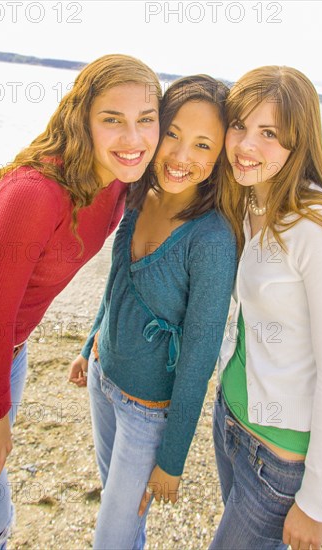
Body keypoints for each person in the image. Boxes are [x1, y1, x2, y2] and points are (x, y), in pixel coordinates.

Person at [0, 54, 161, 549]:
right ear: (82, 118)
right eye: (113, 120)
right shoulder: (35, 195)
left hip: (4, 357)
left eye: (146, 120)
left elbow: (184, 177)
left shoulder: (117, 179)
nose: (133, 138)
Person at [69, 74, 237, 549]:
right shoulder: (140, 192)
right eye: (173, 135)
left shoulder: (212, 241)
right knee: (117, 511)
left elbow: (200, 356)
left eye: (203, 145)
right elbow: (117, 282)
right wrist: (89, 345)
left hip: (149, 411)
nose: (182, 157)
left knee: (112, 536)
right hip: (102, 379)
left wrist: (174, 458)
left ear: (219, 156)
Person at [210, 65, 322, 550]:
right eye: (240, 126)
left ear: (299, 145)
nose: (246, 145)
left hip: (277, 457)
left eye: (270, 133)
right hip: (230, 420)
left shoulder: (319, 230)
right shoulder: (252, 205)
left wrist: (316, 502)